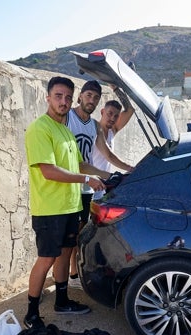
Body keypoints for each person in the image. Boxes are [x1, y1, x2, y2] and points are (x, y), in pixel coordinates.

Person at [23, 76, 108, 329]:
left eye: (68, 97)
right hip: (50, 209)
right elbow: (48, 171)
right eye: (58, 96)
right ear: (47, 98)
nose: (63, 101)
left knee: (64, 256)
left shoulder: (65, 131)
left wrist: (106, 175)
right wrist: (86, 179)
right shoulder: (40, 129)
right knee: (47, 258)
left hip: (71, 206)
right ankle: (31, 313)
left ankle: (62, 301)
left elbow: (78, 164)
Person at [66, 80, 134, 288]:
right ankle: (72, 275)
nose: (112, 118)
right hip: (83, 183)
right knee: (74, 234)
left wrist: (117, 88)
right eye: (109, 113)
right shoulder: (87, 125)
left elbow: (130, 109)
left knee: (85, 234)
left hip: (96, 187)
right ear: (102, 111)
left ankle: (77, 273)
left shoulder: (108, 131)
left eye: (115, 115)